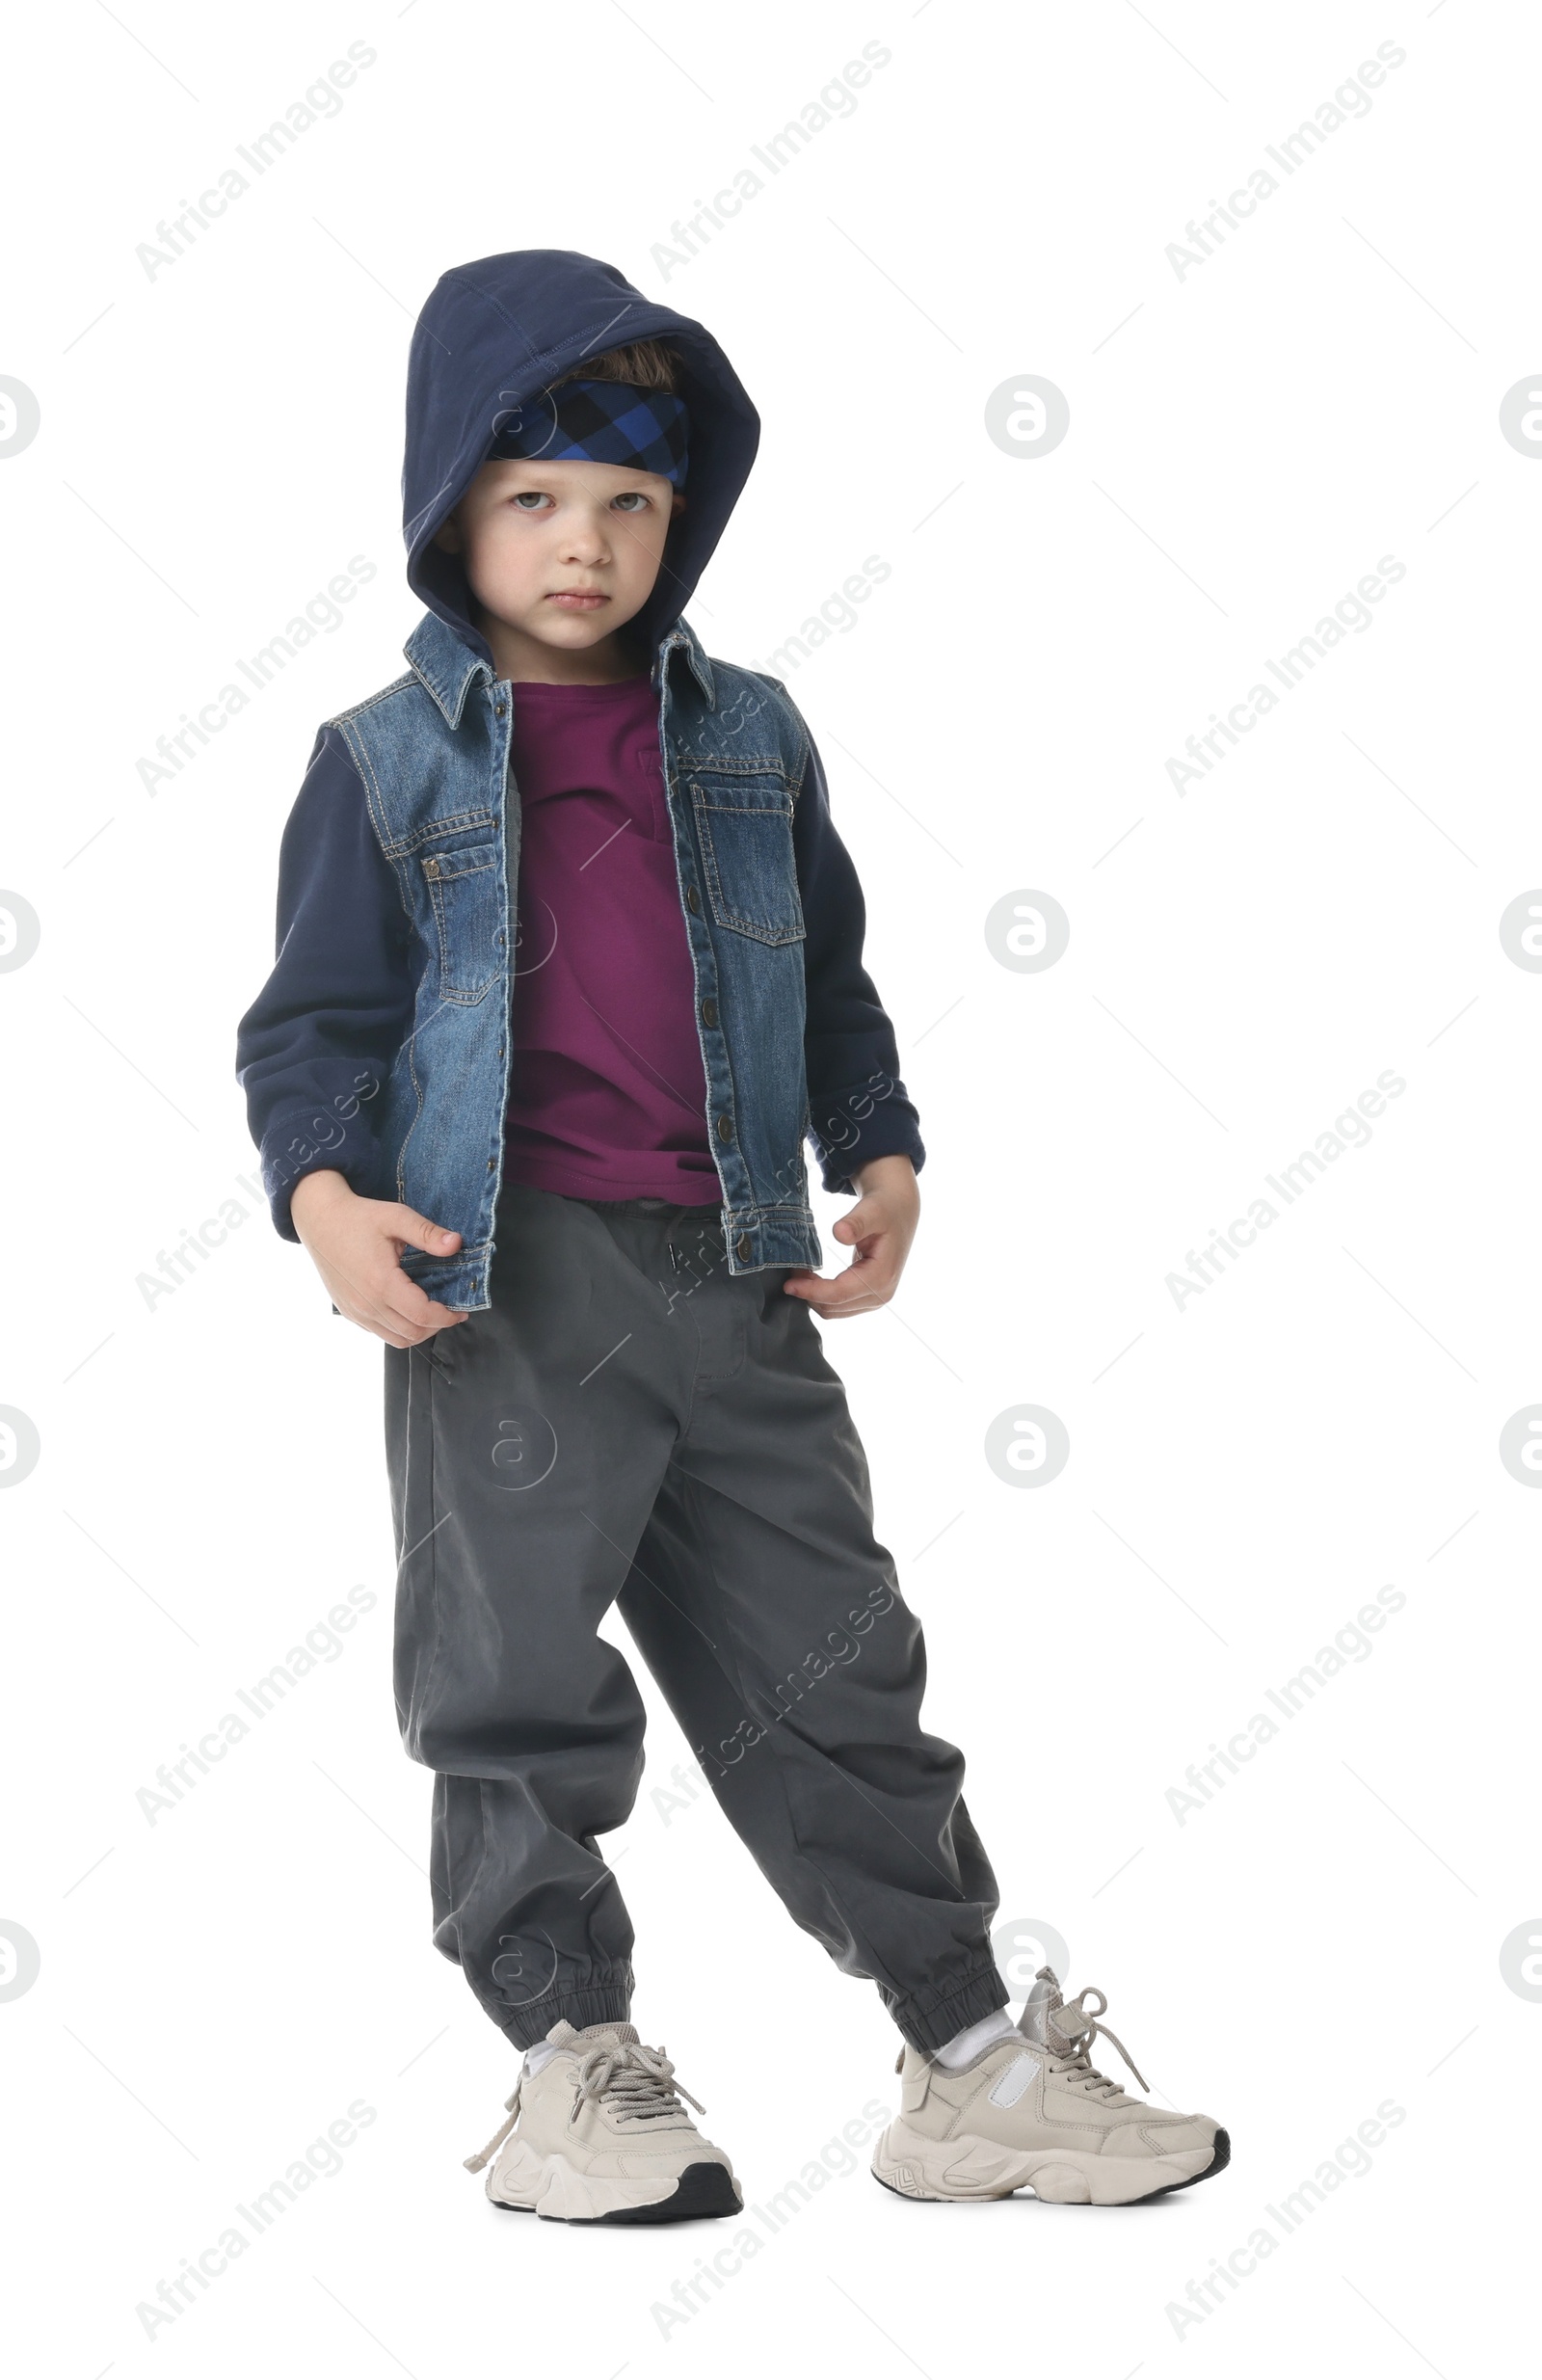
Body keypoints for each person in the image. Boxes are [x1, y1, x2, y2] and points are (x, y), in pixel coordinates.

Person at [236, 249, 1226, 2225]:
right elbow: (312, 1025)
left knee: (838, 1660)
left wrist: (882, 1152)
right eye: (533, 499)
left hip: (733, 1280)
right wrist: (326, 1200)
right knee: (513, 1679)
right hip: (497, 1291)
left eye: (629, 503)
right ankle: (563, 2064)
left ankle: (961, 2059)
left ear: (681, 517)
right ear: (451, 503)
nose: (583, 544)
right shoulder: (383, 758)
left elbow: (832, 981)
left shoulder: (752, 736)